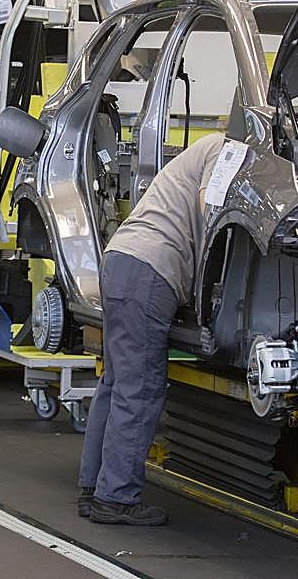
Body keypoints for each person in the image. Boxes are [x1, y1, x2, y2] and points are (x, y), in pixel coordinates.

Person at [78, 131, 227, 526]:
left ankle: (94, 489)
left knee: (116, 382)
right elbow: (211, 209)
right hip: (149, 270)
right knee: (138, 388)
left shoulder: (204, 149)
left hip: (122, 260)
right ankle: (117, 499)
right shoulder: (226, 150)